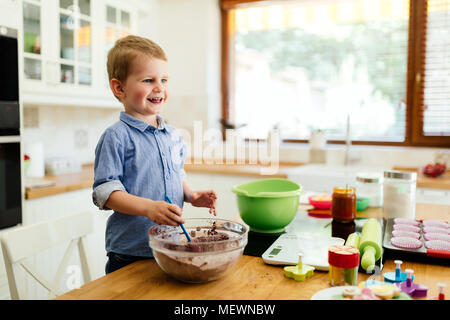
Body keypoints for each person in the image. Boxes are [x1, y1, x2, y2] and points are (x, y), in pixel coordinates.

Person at [92, 35, 217, 274]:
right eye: (148, 80)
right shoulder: (116, 136)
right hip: (130, 253)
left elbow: (176, 172)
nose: (159, 87)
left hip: (170, 245)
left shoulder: (171, 134)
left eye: (164, 80)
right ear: (119, 88)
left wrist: (191, 195)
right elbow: (105, 192)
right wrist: (148, 208)